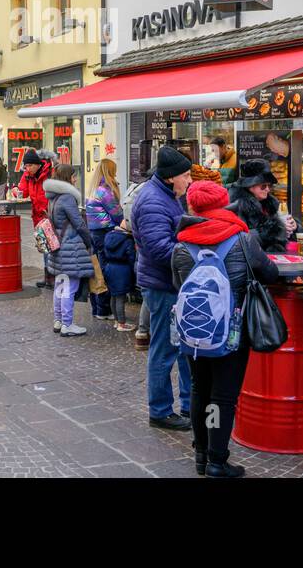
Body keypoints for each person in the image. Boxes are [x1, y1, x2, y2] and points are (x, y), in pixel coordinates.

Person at [173, 181, 282, 478]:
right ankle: (217, 461)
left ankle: (200, 455)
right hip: (232, 333)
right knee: (223, 396)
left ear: (193, 207)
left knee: (199, 389)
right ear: (223, 205)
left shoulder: (182, 245)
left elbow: (177, 285)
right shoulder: (242, 240)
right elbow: (269, 272)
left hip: (194, 331)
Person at [132, 146, 195, 431]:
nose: (190, 180)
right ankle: (159, 410)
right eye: (186, 175)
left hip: (171, 283)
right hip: (162, 285)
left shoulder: (166, 195)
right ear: (170, 177)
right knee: (164, 349)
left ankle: (189, 404)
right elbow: (160, 248)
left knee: (182, 348)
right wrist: (196, 256)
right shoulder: (153, 201)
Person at [44, 165, 94, 337]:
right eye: (73, 176)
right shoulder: (67, 198)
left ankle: (58, 320)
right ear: (67, 178)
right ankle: (67, 324)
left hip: (57, 246)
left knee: (60, 285)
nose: (75, 179)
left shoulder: (53, 198)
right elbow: (79, 223)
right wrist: (89, 241)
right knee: (69, 287)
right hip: (70, 247)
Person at [226, 159, 298, 252]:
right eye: (263, 186)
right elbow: (241, 239)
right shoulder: (236, 205)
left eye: (270, 186)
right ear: (250, 185)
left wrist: (293, 226)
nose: (267, 189)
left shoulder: (269, 203)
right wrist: (277, 228)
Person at [85, 159, 124, 323]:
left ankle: (96, 308)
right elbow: (117, 214)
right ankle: (103, 308)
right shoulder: (105, 191)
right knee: (106, 271)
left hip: (94, 233)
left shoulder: (93, 189)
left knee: (97, 270)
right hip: (106, 233)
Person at [13, 149, 56, 288]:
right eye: (25, 166)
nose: (27, 168)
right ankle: (48, 277)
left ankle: (54, 277)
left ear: (37, 164)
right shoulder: (27, 175)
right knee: (44, 247)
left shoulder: (50, 173)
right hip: (37, 217)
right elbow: (23, 191)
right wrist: (16, 190)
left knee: (54, 247)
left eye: (30, 166)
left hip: (50, 216)